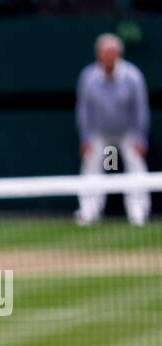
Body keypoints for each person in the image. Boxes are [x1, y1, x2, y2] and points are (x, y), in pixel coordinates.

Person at [75, 33, 150, 227]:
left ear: (119, 54)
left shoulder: (133, 76)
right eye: (105, 53)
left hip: (127, 134)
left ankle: (138, 212)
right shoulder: (88, 77)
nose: (109, 57)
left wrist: (140, 137)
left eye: (112, 53)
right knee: (92, 167)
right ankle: (89, 211)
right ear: (99, 55)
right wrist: (86, 138)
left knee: (136, 168)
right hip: (99, 134)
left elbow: (140, 109)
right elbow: (84, 110)